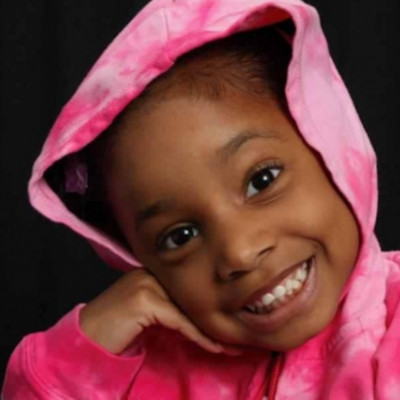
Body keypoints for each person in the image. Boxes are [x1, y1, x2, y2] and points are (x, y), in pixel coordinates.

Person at [3, 0, 400, 399]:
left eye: (262, 181)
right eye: (181, 236)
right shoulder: (141, 369)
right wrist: (71, 360)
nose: (240, 252)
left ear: (331, 144)